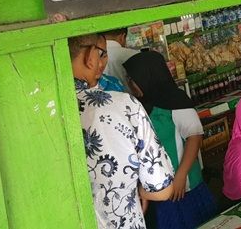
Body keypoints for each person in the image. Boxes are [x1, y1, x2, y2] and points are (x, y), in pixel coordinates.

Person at [69, 33, 174, 229]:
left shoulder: (44, 113)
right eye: (102, 54)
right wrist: (139, 191)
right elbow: (162, 189)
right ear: (90, 56)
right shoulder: (125, 106)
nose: (104, 61)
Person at [122, 50, 216, 228]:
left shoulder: (175, 100)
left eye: (132, 79)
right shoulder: (138, 107)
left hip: (186, 187)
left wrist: (180, 176)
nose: (129, 84)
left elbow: (194, 136)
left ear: (147, 76)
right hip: (160, 192)